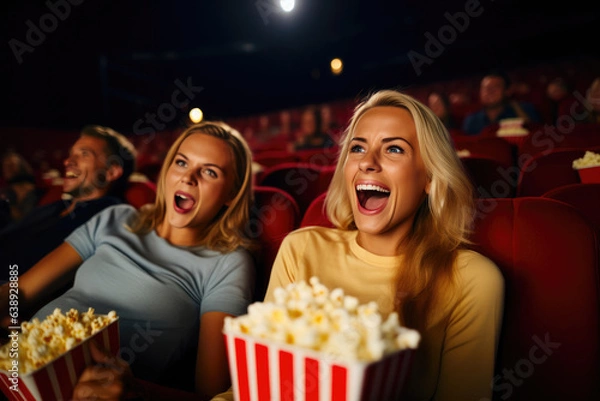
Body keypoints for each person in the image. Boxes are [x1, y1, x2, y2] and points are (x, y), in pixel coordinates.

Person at [263, 90, 505, 400]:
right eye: (358, 148)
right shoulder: (300, 248)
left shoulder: (474, 279)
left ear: (431, 177)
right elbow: (261, 381)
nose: (368, 162)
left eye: (393, 149)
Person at [0, 121, 256, 400]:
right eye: (181, 163)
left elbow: (212, 395)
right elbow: (20, 291)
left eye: (209, 171)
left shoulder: (229, 262)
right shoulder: (116, 218)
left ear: (232, 194)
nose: (188, 177)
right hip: (15, 366)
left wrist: (139, 394)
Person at [0, 125, 136, 281]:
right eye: (71, 154)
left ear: (111, 172)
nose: (67, 161)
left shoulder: (110, 217)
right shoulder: (57, 205)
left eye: (84, 154)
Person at [462, 69, 540, 135]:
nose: (489, 92)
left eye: (495, 87)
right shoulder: (471, 120)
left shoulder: (524, 110)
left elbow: (534, 136)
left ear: (507, 91)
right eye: (485, 88)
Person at [0, 150, 43, 226]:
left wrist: (10, 202)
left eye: (11, 165)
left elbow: (23, 220)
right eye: (5, 166)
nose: (7, 169)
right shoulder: (6, 189)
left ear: (21, 166)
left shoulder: (30, 189)